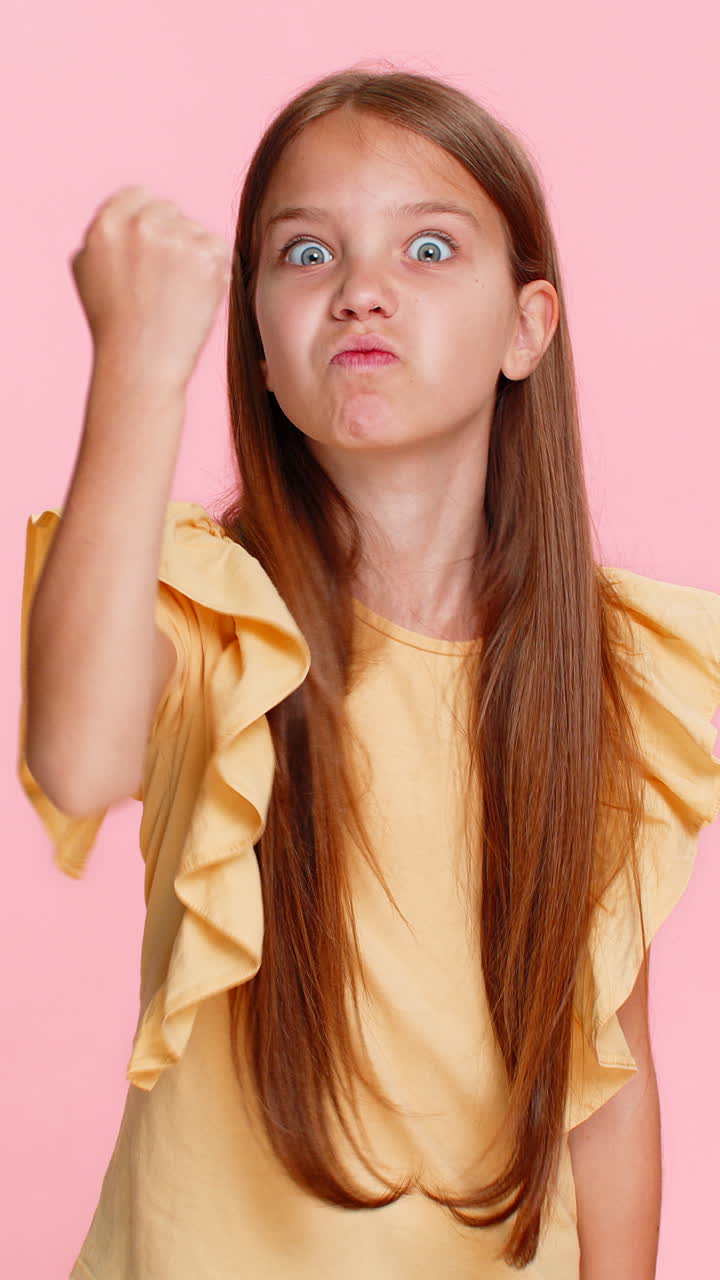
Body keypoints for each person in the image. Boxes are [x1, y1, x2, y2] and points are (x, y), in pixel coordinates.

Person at [18, 67, 720, 1279]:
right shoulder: (207, 610)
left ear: (527, 327)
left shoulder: (610, 674)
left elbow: (608, 1077)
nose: (360, 290)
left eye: (429, 247)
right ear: (257, 341)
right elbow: (76, 758)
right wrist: (137, 362)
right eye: (306, 254)